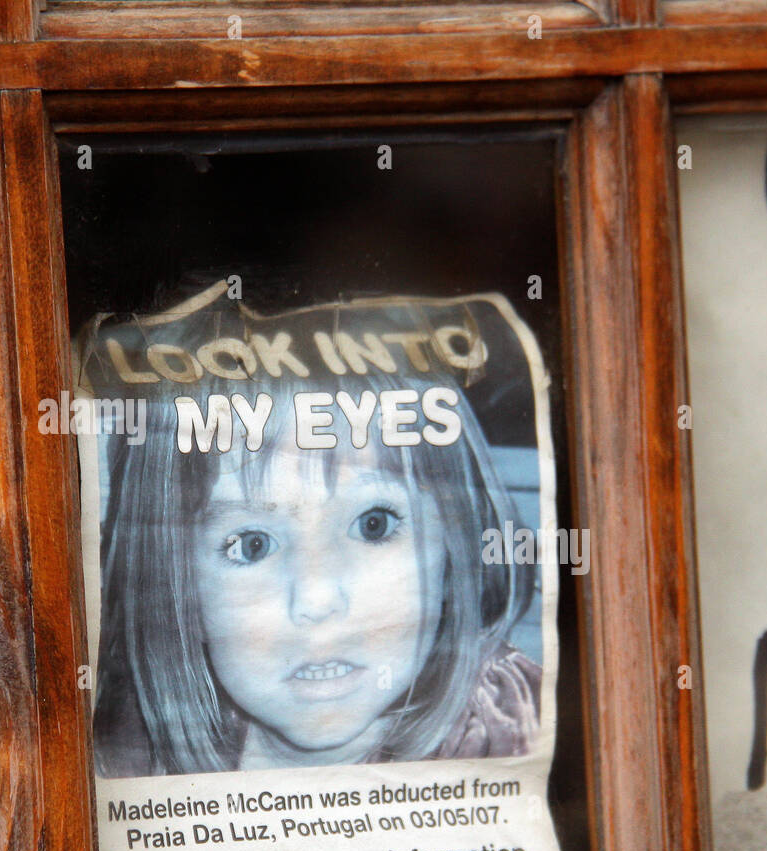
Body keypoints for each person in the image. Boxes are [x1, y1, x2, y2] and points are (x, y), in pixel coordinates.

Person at [89, 298, 542, 777]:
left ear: (456, 551)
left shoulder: (508, 728)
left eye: (375, 525)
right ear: (174, 584)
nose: (317, 596)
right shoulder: (121, 751)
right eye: (252, 545)